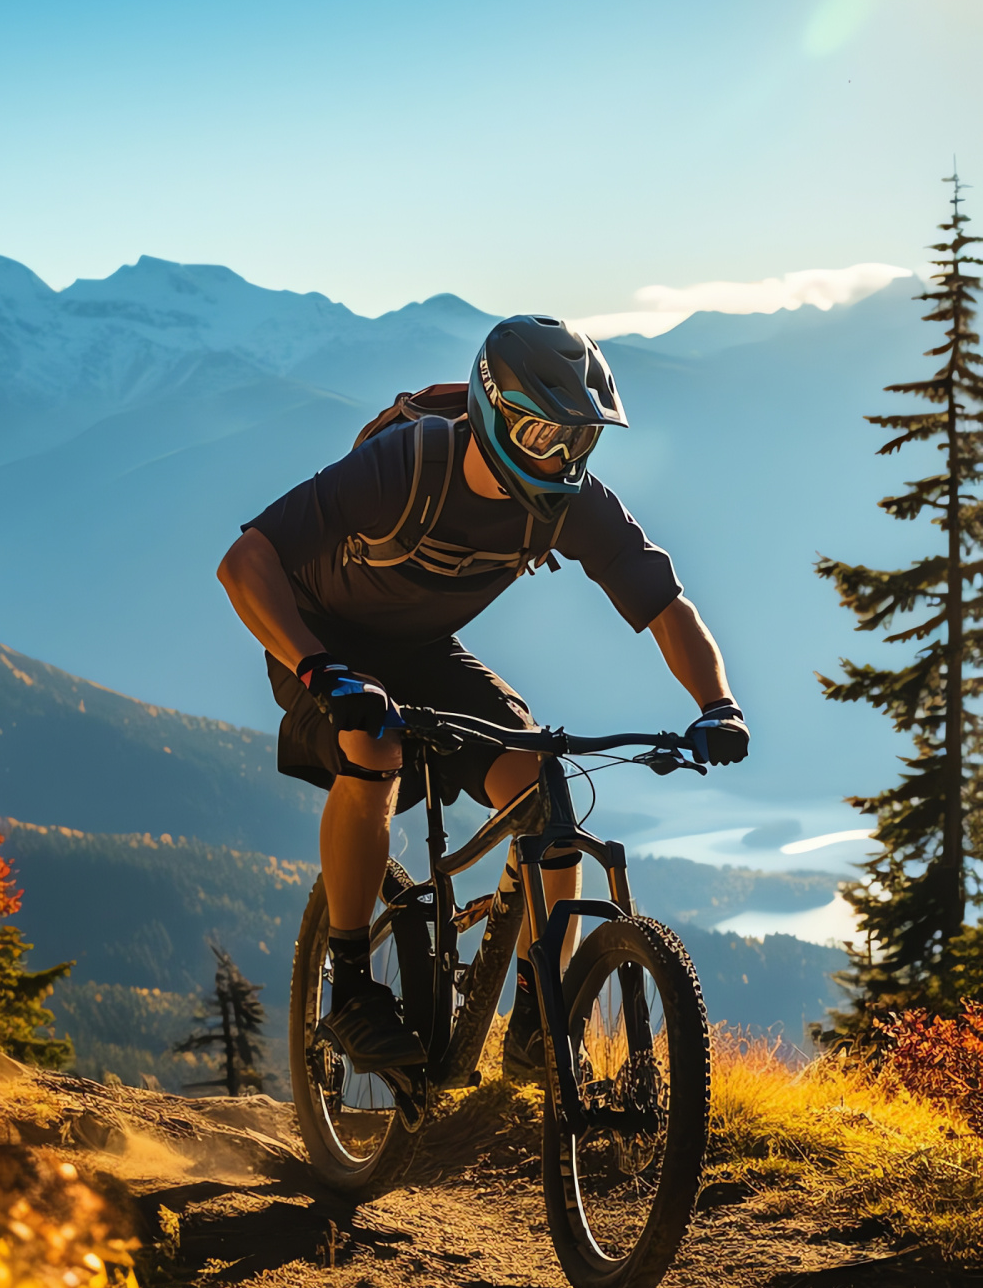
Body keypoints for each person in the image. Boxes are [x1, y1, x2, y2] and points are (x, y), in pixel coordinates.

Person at [217, 315, 747, 1080]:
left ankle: (537, 1022)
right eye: (545, 437)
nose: (564, 458)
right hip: (317, 640)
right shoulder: (403, 468)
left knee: (545, 794)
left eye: (580, 441)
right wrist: (317, 669)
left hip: (423, 652)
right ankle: (353, 986)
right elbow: (246, 562)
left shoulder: (571, 502)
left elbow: (667, 606)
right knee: (374, 747)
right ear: (495, 412)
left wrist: (716, 705)